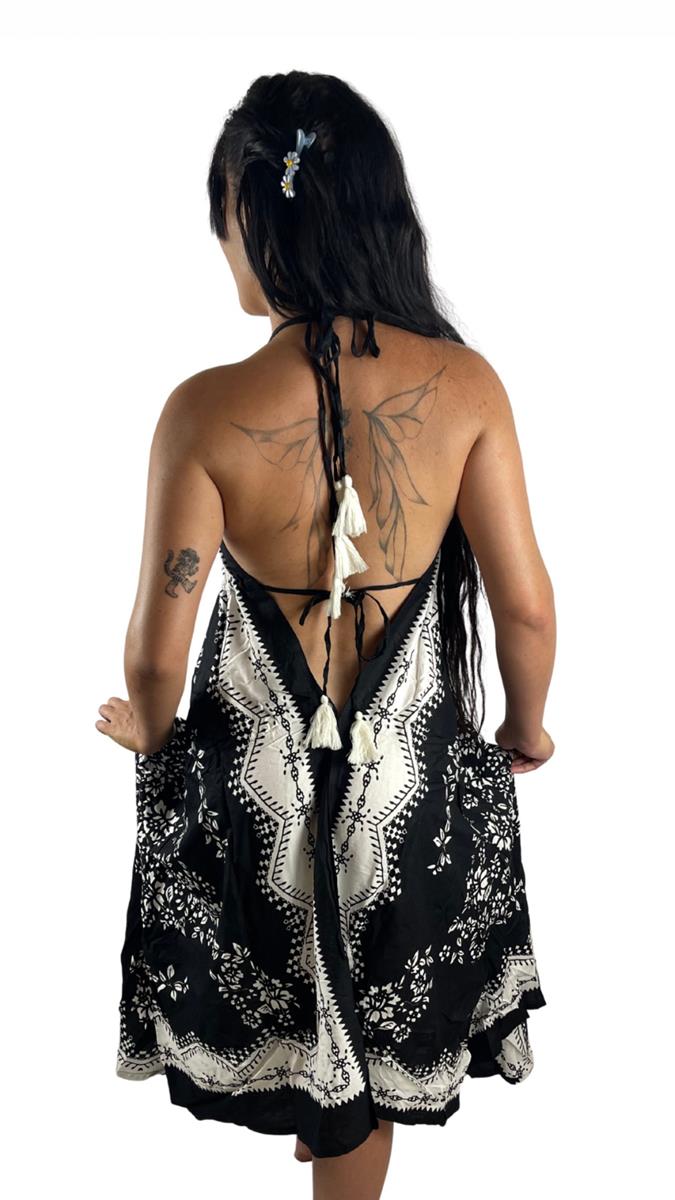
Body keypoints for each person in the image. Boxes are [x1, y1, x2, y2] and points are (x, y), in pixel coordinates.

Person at [96, 71, 556, 1200]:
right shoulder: (468, 387)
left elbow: (155, 651)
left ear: (259, 218)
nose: (220, 244)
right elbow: (527, 609)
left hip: (262, 805)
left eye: (223, 215)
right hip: (409, 795)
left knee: (323, 1060)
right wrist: (526, 728)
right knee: (366, 1077)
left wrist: (148, 728)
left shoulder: (203, 410)